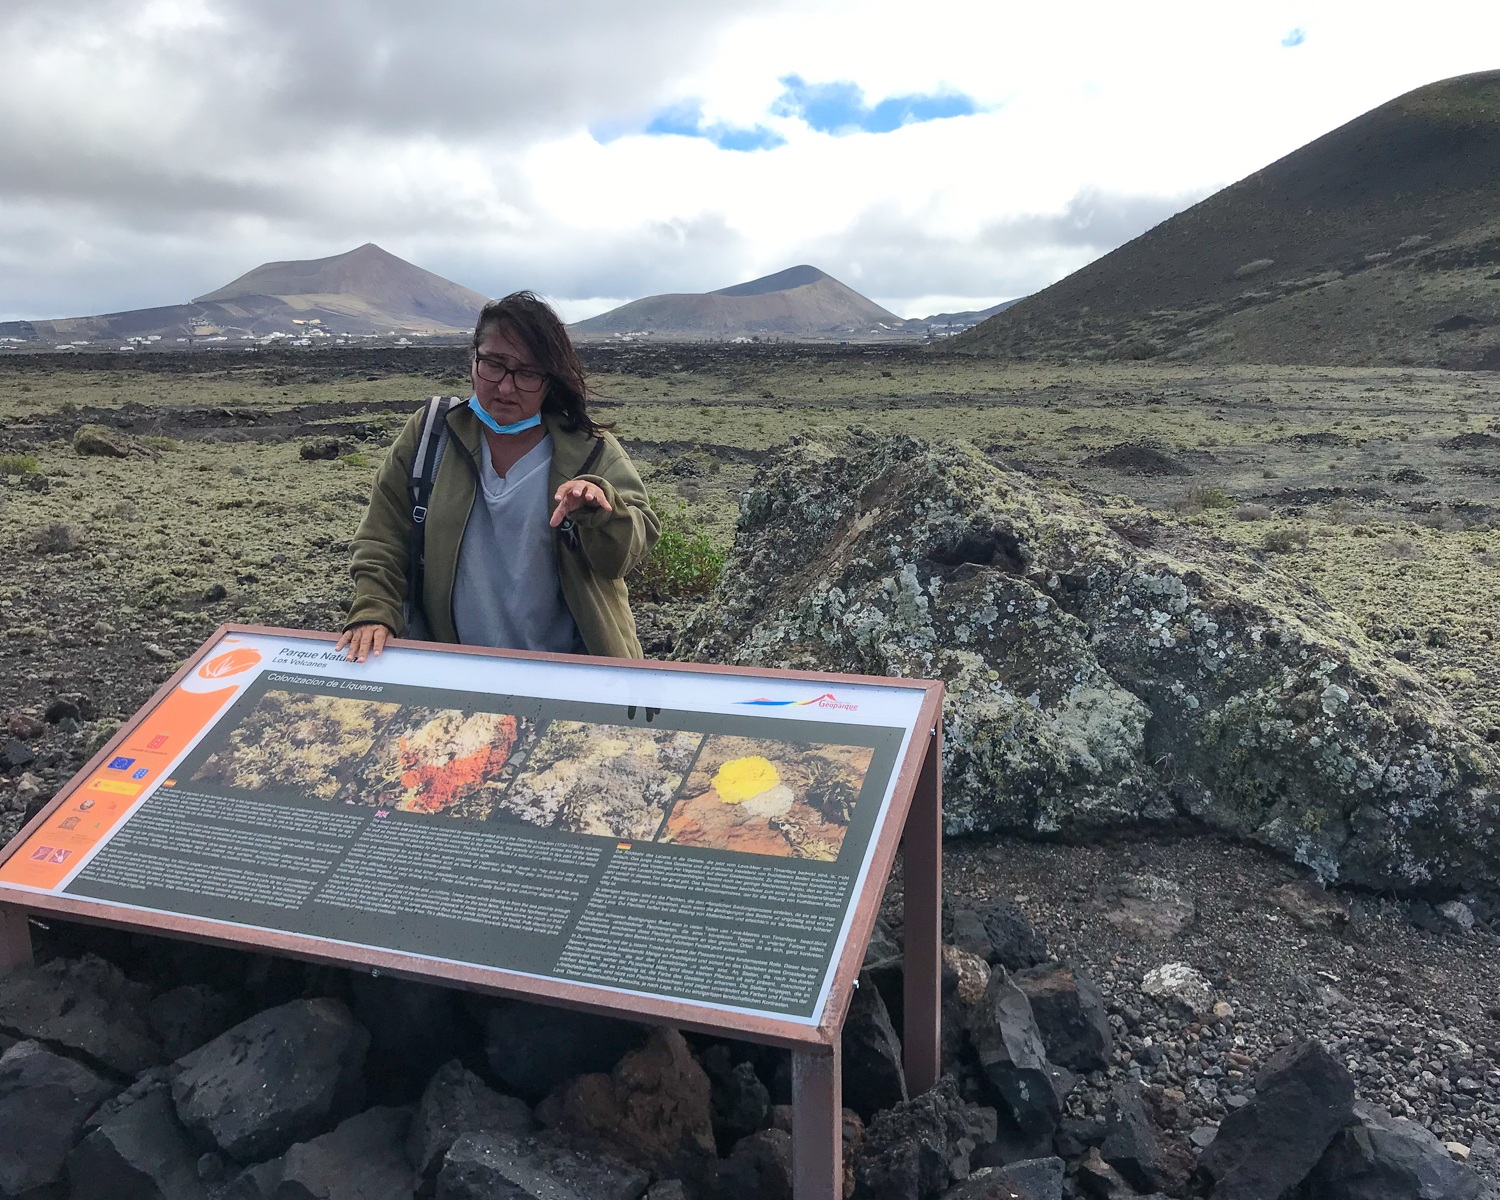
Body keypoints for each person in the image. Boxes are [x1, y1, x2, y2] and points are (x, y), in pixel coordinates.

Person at [335, 292, 659, 662]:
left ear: (550, 379)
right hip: (456, 671)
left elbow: (626, 552)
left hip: (572, 676)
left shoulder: (591, 449)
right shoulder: (430, 436)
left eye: (528, 373)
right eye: (494, 365)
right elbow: (382, 536)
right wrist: (374, 610)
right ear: (472, 358)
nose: (506, 387)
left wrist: (601, 510)